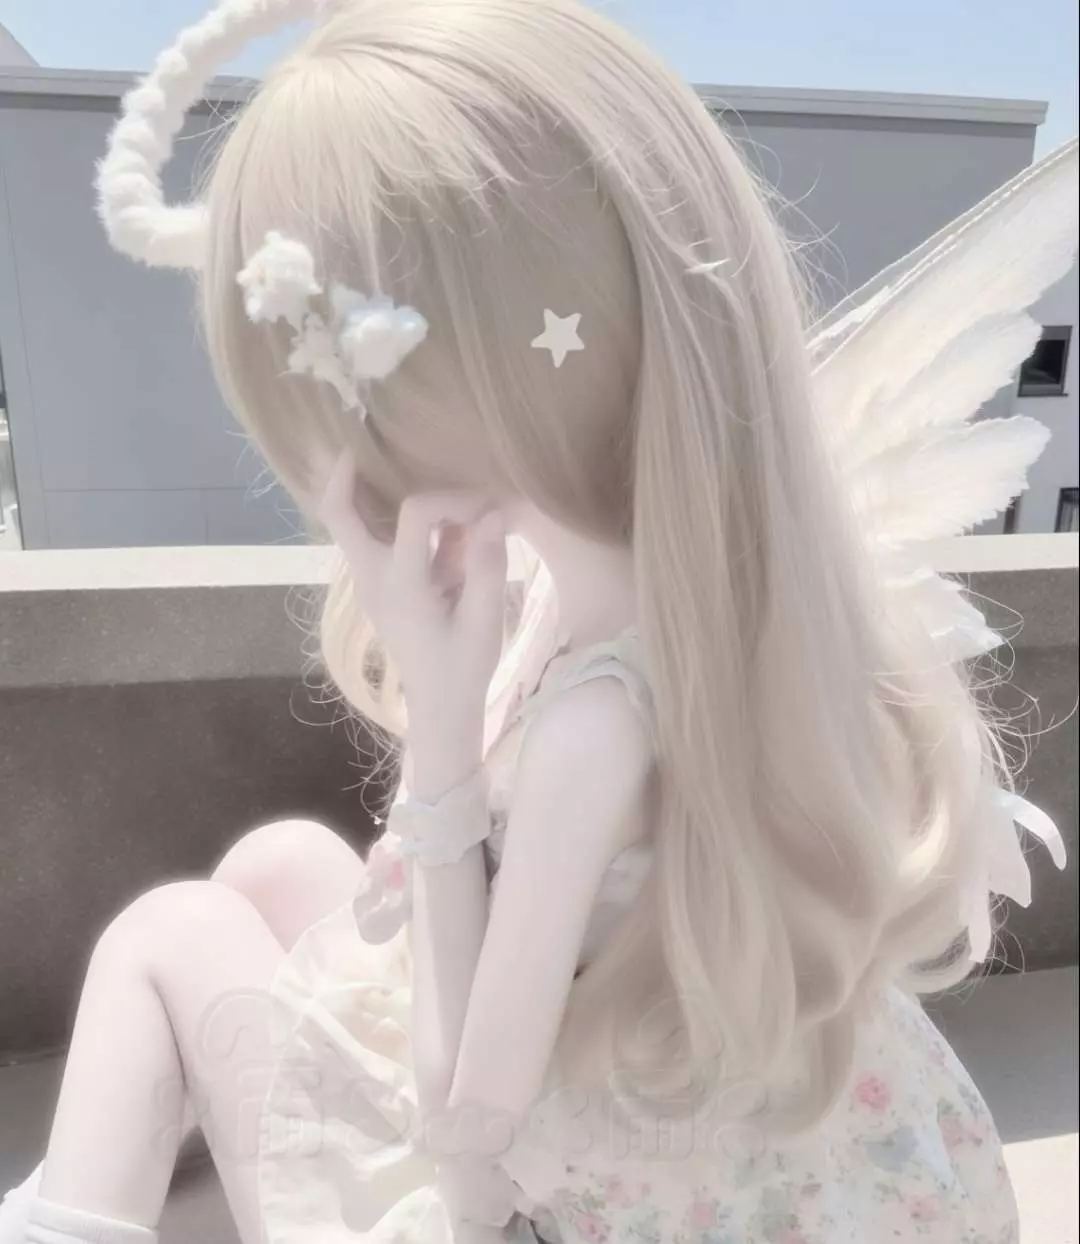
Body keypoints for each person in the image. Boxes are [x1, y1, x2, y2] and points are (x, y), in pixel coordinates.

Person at [2, 0, 1074, 1240]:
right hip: (704, 1152)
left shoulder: (596, 722)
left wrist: (443, 724)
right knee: (281, 864)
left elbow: (469, 1122)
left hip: (531, 1198)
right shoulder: (721, 596)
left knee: (165, 934)